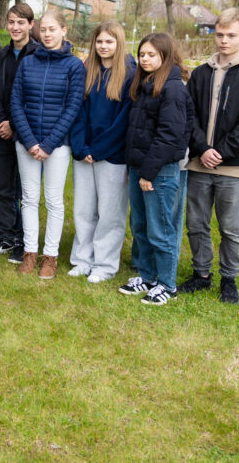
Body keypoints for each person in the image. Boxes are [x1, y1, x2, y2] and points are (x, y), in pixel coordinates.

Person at [178, 8, 239, 304]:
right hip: (199, 163)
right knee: (196, 223)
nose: (224, 40)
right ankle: (201, 274)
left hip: (234, 167)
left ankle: (229, 278)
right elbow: (188, 114)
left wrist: (221, 152)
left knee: (230, 227)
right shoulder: (201, 73)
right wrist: (203, 149)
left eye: (231, 35)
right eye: (219, 34)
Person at [10, 9, 84, 279]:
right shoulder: (28, 62)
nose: (48, 34)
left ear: (64, 31)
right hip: (27, 142)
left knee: (53, 200)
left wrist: (49, 144)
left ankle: (50, 256)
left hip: (57, 145)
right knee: (29, 199)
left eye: (53, 29)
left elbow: (73, 107)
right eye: (43, 30)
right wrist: (29, 141)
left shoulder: (74, 66)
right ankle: (30, 252)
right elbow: (16, 102)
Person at [119, 33, 192, 306]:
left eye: (151, 54)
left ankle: (167, 284)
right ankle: (148, 277)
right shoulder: (144, 83)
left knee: (161, 229)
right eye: (142, 54)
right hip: (139, 168)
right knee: (140, 225)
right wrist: (136, 168)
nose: (145, 59)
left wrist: (149, 173)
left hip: (159, 172)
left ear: (166, 56)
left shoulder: (172, 89)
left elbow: (169, 136)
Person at [68, 21, 135, 283]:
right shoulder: (88, 70)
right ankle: (83, 259)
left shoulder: (129, 73)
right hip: (84, 152)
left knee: (110, 213)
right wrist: (81, 146)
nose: (104, 46)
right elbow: (78, 111)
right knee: (84, 209)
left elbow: (123, 121)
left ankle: (104, 264)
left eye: (109, 41)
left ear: (119, 43)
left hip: (112, 155)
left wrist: (98, 150)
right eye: (99, 41)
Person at [0, 3, 38, 262]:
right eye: (11, 22)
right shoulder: (0, 55)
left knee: (25, 190)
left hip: (26, 131)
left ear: (30, 25)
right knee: (3, 187)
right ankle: (6, 235)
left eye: (21, 22)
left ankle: (24, 239)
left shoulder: (37, 55)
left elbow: (34, 95)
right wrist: (1, 120)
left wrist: (14, 124)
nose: (15, 27)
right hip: (1, 129)